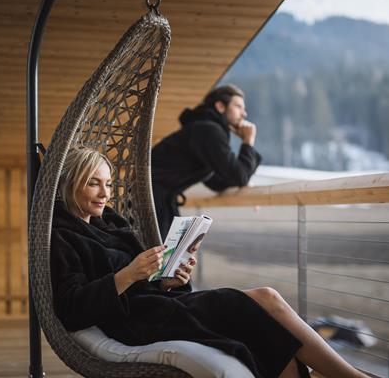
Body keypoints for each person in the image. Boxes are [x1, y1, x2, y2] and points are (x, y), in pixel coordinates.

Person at [51, 147, 369, 378]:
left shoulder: (111, 222)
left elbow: (146, 281)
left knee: (266, 304)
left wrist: (170, 279)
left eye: (108, 183)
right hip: (136, 320)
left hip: (160, 302)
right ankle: (352, 377)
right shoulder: (63, 236)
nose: (105, 193)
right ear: (70, 184)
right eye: (94, 183)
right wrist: (128, 275)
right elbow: (70, 308)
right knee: (262, 301)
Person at [152, 84, 262, 239]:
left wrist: (241, 181)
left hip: (154, 199)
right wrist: (248, 141)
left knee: (166, 257)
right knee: (161, 258)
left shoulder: (202, 127)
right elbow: (237, 175)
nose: (244, 113)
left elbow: (215, 181)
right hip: (152, 201)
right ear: (220, 106)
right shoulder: (209, 130)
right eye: (238, 106)